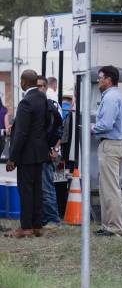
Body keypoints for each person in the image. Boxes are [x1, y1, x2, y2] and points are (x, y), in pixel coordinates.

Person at [4, 70, 50, 238]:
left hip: (26, 154)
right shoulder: (42, 98)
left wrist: (12, 158)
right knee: (37, 189)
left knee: (25, 190)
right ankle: (37, 225)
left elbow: (21, 133)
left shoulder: (26, 102)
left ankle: (26, 227)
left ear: (24, 82)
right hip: (39, 152)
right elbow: (47, 123)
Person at [92, 66, 122, 237]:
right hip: (120, 143)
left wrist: (91, 127)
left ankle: (114, 227)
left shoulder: (110, 98)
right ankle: (108, 225)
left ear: (109, 79)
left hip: (111, 144)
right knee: (107, 187)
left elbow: (106, 124)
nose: (98, 80)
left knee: (110, 188)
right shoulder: (121, 97)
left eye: (100, 77)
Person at [36, 76, 63, 229]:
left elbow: (61, 130)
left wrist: (55, 149)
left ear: (46, 88)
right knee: (40, 187)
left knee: (47, 187)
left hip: (50, 151)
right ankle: (44, 219)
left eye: (41, 86)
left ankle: (53, 219)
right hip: (38, 152)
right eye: (36, 86)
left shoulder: (52, 105)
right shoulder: (35, 104)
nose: (39, 89)